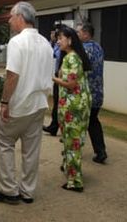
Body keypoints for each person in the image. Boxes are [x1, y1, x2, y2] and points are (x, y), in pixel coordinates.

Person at [0, 1, 54, 205]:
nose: (9, 20)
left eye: (11, 16)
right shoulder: (45, 43)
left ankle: (9, 190)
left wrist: (4, 102)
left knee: (4, 141)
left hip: (20, 104)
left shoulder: (17, 42)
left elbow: (12, 76)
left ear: (20, 17)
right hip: (39, 104)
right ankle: (28, 191)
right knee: (31, 149)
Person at [53, 26, 92, 192]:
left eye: (60, 38)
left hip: (74, 107)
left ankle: (75, 181)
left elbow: (71, 83)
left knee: (73, 142)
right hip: (72, 105)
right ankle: (69, 168)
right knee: (70, 140)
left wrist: (53, 78)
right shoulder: (69, 56)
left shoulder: (72, 58)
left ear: (70, 40)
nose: (58, 41)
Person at [76, 22, 107, 164]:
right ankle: (100, 152)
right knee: (93, 122)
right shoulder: (98, 47)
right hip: (98, 92)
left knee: (81, 123)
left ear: (86, 34)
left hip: (86, 93)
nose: (77, 35)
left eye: (79, 32)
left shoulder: (83, 49)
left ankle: (75, 151)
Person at [43, 24, 65, 136]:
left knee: (60, 103)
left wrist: (54, 42)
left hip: (62, 77)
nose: (57, 37)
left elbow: (55, 53)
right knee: (57, 102)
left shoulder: (64, 47)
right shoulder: (58, 44)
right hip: (59, 75)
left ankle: (57, 127)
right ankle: (54, 126)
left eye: (59, 35)